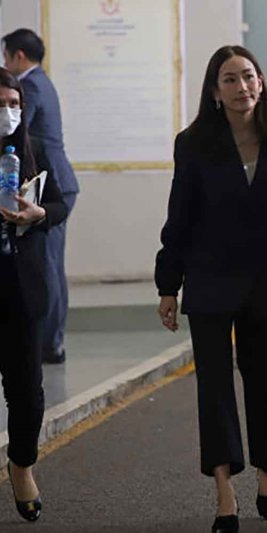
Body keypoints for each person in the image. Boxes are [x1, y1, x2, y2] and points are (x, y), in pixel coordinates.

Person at [154, 45, 267, 533]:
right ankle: (224, 491)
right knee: (214, 387)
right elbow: (180, 216)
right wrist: (168, 285)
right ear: (215, 91)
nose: (242, 86)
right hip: (210, 277)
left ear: (261, 82)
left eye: (248, 76)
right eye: (229, 79)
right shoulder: (193, 144)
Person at [0, 66, 67, 522]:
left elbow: (59, 203)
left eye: (14, 105)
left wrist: (38, 213)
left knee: (27, 392)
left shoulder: (34, 149)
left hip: (22, 287)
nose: (8, 112)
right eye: (0, 104)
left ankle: (21, 465)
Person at [2, 28, 79, 365]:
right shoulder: (43, 81)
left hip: (47, 182)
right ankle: (52, 340)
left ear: (18, 55)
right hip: (57, 178)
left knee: (45, 263)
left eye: (6, 57)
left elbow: (20, 135)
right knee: (51, 263)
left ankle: (48, 341)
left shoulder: (30, 85)